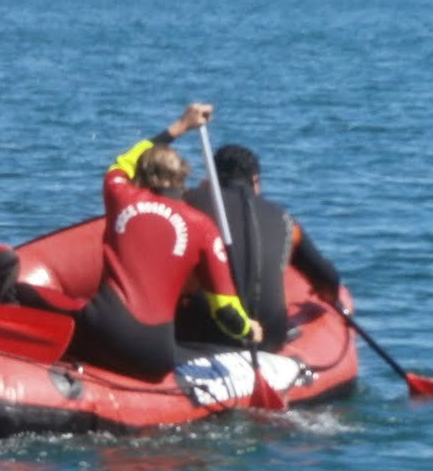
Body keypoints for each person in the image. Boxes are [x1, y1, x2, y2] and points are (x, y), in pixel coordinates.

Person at [19, 102, 262, 380]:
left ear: (140, 176)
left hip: (103, 336)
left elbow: (124, 161)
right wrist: (248, 330)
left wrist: (181, 126)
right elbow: (226, 312)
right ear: (183, 178)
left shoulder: (119, 195)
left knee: (21, 292)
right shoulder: (204, 227)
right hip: (154, 356)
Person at [180, 142, 342, 351]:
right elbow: (328, 280)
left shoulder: (186, 203)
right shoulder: (284, 220)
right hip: (270, 337)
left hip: (201, 334)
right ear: (255, 181)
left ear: (209, 178)